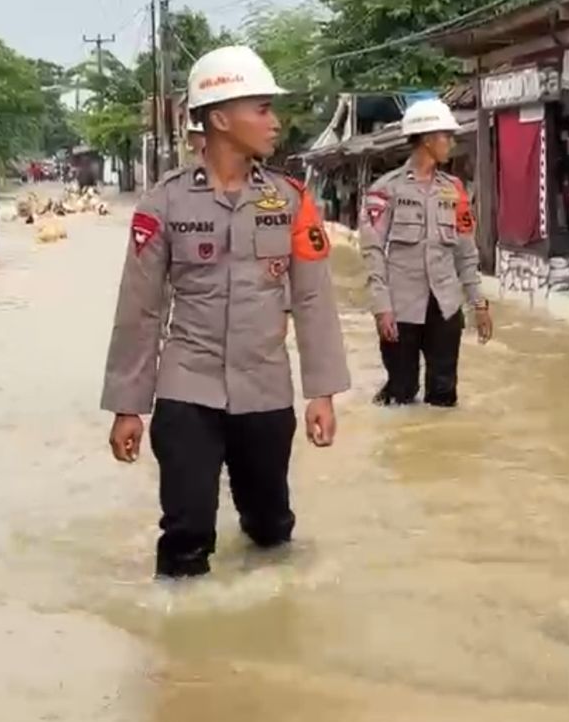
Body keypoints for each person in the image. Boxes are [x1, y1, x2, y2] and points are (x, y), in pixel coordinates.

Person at [101, 45, 351, 580]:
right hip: (187, 387)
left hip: (265, 391)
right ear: (219, 118)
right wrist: (128, 405)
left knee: (270, 529)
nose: (274, 122)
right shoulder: (162, 205)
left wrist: (322, 392)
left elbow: (312, 299)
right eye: (261, 109)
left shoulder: (290, 200)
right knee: (186, 533)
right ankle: (180, 653)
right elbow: (140, 309)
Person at [359, 99, 492, 408]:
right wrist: (382, 308)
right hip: (400, 308)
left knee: (444, 397)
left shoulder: (454, 190)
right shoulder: (385, 190)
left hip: (445, 307)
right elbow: (372, 251)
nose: (451, 143)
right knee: (400, 395)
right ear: (427, 139)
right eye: (446, 136)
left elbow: (466, 253)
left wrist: (479, 303)